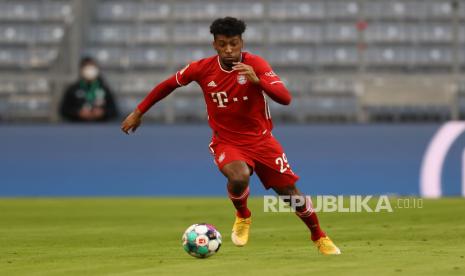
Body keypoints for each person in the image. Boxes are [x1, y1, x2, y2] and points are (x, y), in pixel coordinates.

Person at [121, 17, 340, 255]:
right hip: (227, 141)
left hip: (262, 140)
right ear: (214, 44)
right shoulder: (201, 68)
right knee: (239, 176)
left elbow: (285, 98)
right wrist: (138, 112)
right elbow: (167, 85)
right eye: (223, 44)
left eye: (233, 44)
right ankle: (243, 215)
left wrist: (258, 81)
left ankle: (319, 236)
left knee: (290, 194)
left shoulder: (255, 64)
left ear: (241, 43)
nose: (228, 50)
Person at [60, 57, 118, 122]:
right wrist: (77, 113)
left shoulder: (104, 89)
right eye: (86, 67)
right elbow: (63, 110)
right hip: (77, 127)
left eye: (92, 67)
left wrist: (103, 113)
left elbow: (114, 111)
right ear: (81, 69)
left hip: (100, 127)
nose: (89, 70)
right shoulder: (73, 89)